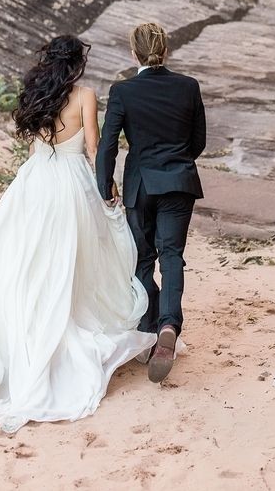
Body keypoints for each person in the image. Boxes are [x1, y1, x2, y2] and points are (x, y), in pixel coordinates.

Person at [0, 35, 156, 433]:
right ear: (78, 63)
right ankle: (56, 333)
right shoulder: (85, 95)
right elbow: (94, 148)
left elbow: (34, 149)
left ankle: (21, 337)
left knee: (23, 260)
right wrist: (108, 188)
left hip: (36, 179)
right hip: (71, 184)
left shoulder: (36, 92)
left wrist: (23, 183)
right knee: (71, 259)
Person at [96, 22, 206, 383]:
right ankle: (170, 324)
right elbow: (198, 141)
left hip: (140, 185)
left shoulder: (123, 91)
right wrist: (175, 163)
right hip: (178, 182)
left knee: (142, 259)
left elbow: (108, 143)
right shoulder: (188, 87)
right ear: (166, 50)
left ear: (133, 53)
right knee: (172, 255)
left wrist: (104, 185)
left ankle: (149, 328)